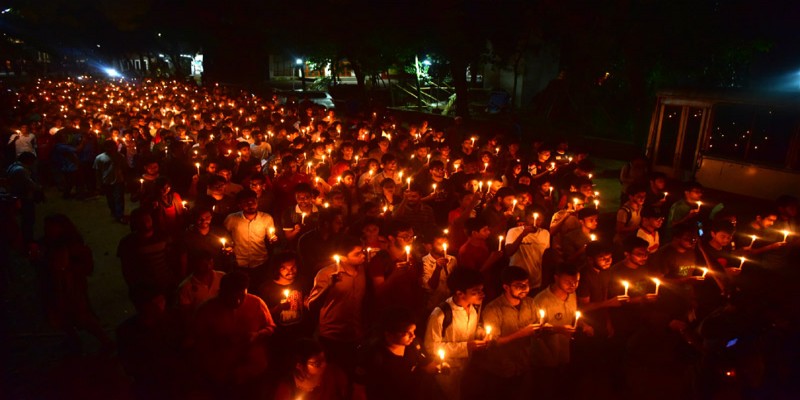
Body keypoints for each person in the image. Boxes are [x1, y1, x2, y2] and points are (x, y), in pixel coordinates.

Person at [33, 214, 113, 353]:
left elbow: (88, 267)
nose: (48, 230)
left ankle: (106, 341)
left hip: (71, 288)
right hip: (52, 286)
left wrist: (68, 270)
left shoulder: (73, 245)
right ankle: (72, 340)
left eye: (52, 227)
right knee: (59, 317)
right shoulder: (45, 244)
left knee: (82, 316)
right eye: (47, 227)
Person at [464, 266, 540, 400]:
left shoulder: (530, 303)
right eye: (519, 285)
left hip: (523, 364)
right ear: (506, 287)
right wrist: (521, 333)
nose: (525, 288)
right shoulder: (493, 309)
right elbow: (493, 342)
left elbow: (537, 327)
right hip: (500, 369)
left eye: (527, 284)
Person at [191, 271, 275, 390]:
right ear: (221, 292)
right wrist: (219, 342)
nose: (238, 302)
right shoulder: (206, 310)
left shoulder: (257, 303)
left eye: (242, 296)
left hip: (254, 369)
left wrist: (257, 335)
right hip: (222, 372)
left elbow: (270, 327)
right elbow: (197, 340)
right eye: (232, 297)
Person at [305, 235, 368, 376]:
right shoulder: (326, 274)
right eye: (357, 254)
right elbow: (312, 305)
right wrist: (329, 286)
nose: (363, 256)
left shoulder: (362, 270)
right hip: (332, 336)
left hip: (355, 333)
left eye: (362, 251)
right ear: (343, 257)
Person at [423, 267, 487, 400]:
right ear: (459, 293)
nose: (482, 294)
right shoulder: (440, 314)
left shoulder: (474, 306)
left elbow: (474, 327)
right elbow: (431, 346)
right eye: (476, 291)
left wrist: (480, 333)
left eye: (482, 290)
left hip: (466, 367)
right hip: (447, 371)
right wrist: (466, 346)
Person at [531, 263, 593, 399]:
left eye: (576, 281)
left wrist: (584, 325)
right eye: (568, 282)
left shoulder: (571, 294)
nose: (573, 285)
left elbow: (572, 315)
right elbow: (535, 330)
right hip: (545, 356)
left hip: (564, 353)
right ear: (556, 278)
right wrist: (558, 329)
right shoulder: (541, 300)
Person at [353, 307, 438, 400]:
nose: (413, 336)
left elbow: (424, 364)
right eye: (406, 333)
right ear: (389, 334)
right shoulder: (373, 355)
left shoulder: (415, 345)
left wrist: (436, 366)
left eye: (413, 331)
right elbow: (359, 387)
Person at [224, 189, 278, 289]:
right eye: (246, 202)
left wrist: (272, 239)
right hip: (239, 263)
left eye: (253, 201)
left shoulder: (266, 218)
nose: (250, 205)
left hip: (260, 262)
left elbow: (270, 236)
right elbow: (226, 237)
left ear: (257, 202)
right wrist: (227, 247)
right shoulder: (231, 219)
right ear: (239, 204)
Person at [273, 339, 349, 400]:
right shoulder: (287, 389)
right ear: (300, 366)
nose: (324, 365)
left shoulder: (333, 374)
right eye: (317, 364)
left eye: (324, 360)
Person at [504, 209, 550, 293]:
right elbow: (509, 252)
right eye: (532, 218)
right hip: (516, 280)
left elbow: (546, 258)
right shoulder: (514, 231)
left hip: (535, 281)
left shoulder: (545, 233)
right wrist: (522, 235)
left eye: (539, 219)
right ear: (526, 218)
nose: (535, 221)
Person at [5, 152, 42, 243]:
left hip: (17, 196)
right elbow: (29, 184)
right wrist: (39, 188)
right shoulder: (21, 170)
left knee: (25, 220)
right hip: (24, 197)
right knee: (28, 220)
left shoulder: (12, 166)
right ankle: (28, 240)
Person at [421, 233, 458, 311]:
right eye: (439, 244)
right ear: (431, 246)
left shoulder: (452, 260)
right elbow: (430, 287)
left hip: (451, 304)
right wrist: (437, 268)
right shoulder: (424, 262)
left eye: (445, 243)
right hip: (433, 306)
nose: (443, 247)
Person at [93, 139, 127, 223]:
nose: (111, 149)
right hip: (107, 181)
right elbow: (97, 171)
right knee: (110, 198)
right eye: (109, 147)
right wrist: (98, 183)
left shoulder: (120, 156)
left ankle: (120, 215)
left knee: (119, 198)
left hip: (119, 181)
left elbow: (125, 168)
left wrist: (125, 179)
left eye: (113, 147)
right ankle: (113, 211)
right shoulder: (99, 158)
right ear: (105, 148)